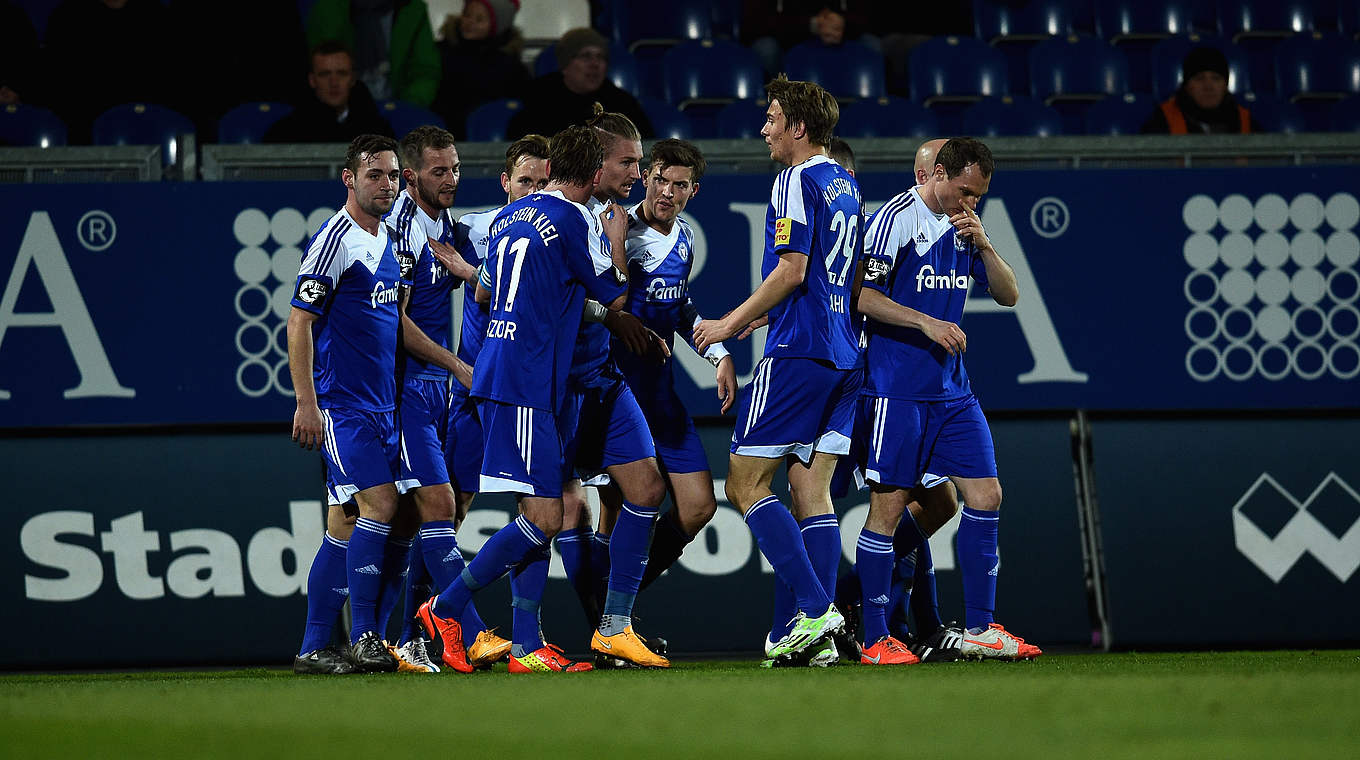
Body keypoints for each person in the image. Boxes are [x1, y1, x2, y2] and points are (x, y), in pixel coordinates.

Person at [416, 125, 630, 674]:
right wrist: (616, 238)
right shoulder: (576, 218)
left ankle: (528, 645)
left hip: (509, 374)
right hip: (526, 382)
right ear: (593, 173)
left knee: (540, 509)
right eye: (615, 166)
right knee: (543, 516)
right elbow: (616, 293)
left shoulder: (514, 214)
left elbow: (488, 285)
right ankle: (445, 608)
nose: (622, 175)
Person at [692, 75, 862, 667]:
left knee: (743, 483)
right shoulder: (846, 183)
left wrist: (726, 324)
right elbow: (829, 280)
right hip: (844, 355)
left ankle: (816, 612)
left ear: (798, 128)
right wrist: (750, 324)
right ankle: (809, 640)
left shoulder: (792, 178)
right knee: (811, 491)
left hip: (798, 353)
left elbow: (792, 270)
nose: (763, 129)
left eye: (771, 119)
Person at [853, 136, 1041, 662]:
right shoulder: (894, 220)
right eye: (963, 191)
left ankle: (980, 628)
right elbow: (861, 297)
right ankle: (871, 637)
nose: (968, 204)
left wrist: (983, 241)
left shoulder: (966, 229)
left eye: (977, 196)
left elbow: (1009, 294)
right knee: (887, 512)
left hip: (953, 391)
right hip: (897, 390)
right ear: (936, 174)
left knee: (986, 495)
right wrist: (925, 322)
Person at [380, 125, 509, 673]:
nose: (451, 179)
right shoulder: (401, 230)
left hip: (441, 396)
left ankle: (407, 639)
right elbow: (396, 320)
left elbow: (489, 286)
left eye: (455, 168)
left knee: (434, 518)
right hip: (405, 389)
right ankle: (471, 631)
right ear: (411, 177)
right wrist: (459, 364)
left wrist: (470, 270)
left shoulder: (451, 227)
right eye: (439, 171)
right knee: (433, 510)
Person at [554, 108, 671, 669]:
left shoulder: (612, 215)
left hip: (604, 378)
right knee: (549, 515)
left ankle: (615, 627)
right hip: (560, 387)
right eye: (628, 161)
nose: (638, 171)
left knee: (646, 488)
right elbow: (585, 298)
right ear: (596, 164)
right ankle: (465, 616)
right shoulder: (564, 217)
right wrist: (611, 306)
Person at [288, 134, 409, 674]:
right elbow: (299, 324)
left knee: (344, 522)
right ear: (349, 179)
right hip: (342, 406)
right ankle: (364, 638)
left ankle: (313, 648)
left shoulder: (389, 239)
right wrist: (307, 403)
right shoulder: (333, 239)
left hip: (382, 407)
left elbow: (388, 323)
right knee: (381, 505)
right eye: (376, 175)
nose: (387, 185)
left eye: (393, 175)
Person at [609, 139, 735, 601]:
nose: (666, 191)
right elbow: (601, 303)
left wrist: (718, 354)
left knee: (699, 506)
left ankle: (617, 604)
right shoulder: (614, 228)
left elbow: (679, 307)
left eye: (678, 185)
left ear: (693, 192)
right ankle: (607, 621)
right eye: (660, 179)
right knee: (614, 510)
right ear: (646, 177)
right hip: (615, 394)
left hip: (661, 396)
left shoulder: (683, 237)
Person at [507, 27, 653, 140]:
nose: (595, 64)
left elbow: (644, 145)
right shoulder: (539, 98)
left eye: (601, 57)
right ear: (565, 65)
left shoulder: (622, 103)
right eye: (586, 56)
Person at [306, 0, 441, 107]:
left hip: (399, 105)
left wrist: (405, 106)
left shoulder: (412, 9)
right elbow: (320, 64)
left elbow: (425, 71)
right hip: (340, 108)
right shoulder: (328, 8)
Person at [433, 0, 531, 139]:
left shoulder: (509, 64)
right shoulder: (441, 53)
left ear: (496, 26)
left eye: (479, 19)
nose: (470, 22)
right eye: (467, 15)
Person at [264, 41, 395, 144]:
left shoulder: (378, 132)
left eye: (342, 74)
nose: (334, 83)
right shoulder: (287, 132)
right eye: (325, 74)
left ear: (353, 79)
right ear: (312, 80)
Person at [1141, 45, 1260, 135]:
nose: (1208, 86)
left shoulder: (1244, 120)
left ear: (1225, 86)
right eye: (1199, 79)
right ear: (1187, 86)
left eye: (1216, 78)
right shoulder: (1163, 119)